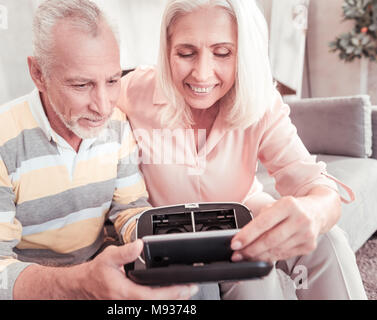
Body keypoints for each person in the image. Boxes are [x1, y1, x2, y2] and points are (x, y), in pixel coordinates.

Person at [0, 0, 198, 300]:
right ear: (38, 73)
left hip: (103, 278)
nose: (104, 106)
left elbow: (130, 210)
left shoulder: (118, 126)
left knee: (194, 293)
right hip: (34, 292)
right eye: (82, 85)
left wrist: (169, 242)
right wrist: (79, 282)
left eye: (112, 80)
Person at [118, 0, 367, 299]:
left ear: (245, 53)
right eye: (186, 53)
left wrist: (314, 214)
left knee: (328, 239)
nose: (201, 73)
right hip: (168, 233)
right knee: (255, 282)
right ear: (167, 49)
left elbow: (317, 188)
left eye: (223, 53)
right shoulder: (132, 91)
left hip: (243, 218)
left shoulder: (261, 100)